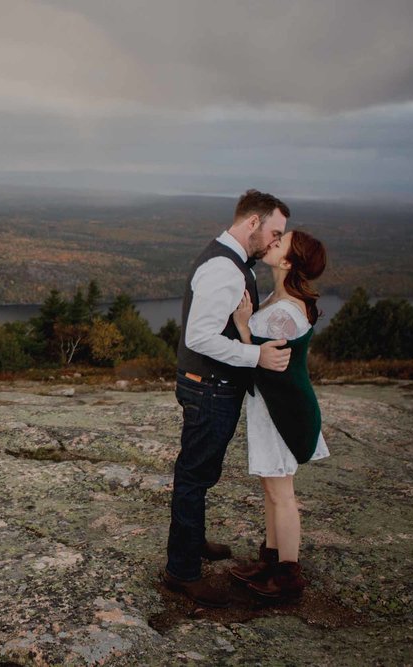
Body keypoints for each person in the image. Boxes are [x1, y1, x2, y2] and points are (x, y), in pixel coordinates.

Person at [160, 189, 291, 608]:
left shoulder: (231, 259)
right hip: (209, 387)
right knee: (195, 476)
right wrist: (257, 355)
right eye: (274, 231)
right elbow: (199, 336)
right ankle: (182, 573)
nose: (275, 242)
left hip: (210, 385)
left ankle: (193, 542)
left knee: (201, 472)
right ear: (253, 223)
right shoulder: (224, 267)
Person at [228, 229, 328, 603]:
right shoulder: (282, 299)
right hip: (275, 407)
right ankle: (270, 560)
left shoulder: (284, 312)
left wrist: (242, 325)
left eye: (280, 242)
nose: (272, 241)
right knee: (271, 488)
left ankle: (287, 575)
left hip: (282, 412)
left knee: (282, 493)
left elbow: (266, 366)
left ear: (288, 261)